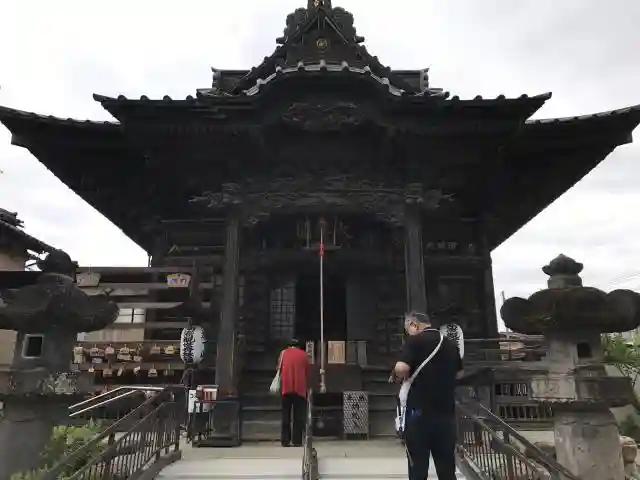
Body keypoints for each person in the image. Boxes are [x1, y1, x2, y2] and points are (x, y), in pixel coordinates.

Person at [391, 312, 463, 480]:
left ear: (413, 325)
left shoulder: (415, 341)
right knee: (446, 468)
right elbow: (459, 373)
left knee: (418, 467)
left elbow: (401, 368)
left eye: (407, 328)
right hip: (446, 413)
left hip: (418, 414)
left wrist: (396, 372)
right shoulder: (450, 344)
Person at [277, 338, 310, 447]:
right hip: (300, 388)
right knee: (298, 416)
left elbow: (278, 368)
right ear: (299, 346)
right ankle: (297, 441)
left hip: (286, 388)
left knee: (285, 415)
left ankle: (285, 440)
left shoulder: (283, 353)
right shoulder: (304, 355)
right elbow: (307, 370)